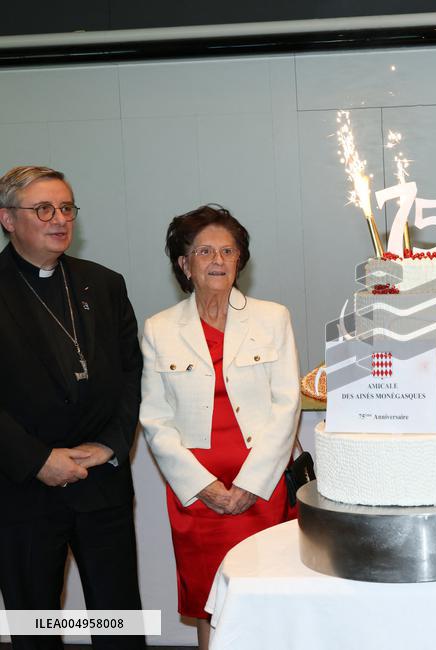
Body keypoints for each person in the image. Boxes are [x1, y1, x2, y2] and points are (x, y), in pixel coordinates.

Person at [139, 205, 300, 650]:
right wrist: (205, 486)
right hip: (198, 496)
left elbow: (287, 405)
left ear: (239, 260)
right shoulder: (160, 329)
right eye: (204, 250)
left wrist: (252, 483)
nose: (217, 260)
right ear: (183, 263)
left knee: (267, 594)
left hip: (262, 489)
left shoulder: (273, 318)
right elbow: (154, 418)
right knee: (209, 602)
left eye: (228, 251)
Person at [0, 166, 145, 650]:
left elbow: (131, 373)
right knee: (34, 627)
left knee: (119, 623)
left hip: (100, 481)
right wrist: (37, 460)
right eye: (43, 209)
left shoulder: (104, 284)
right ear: (7, 219)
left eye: (66, 208)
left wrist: (109, 444)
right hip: (22, 490)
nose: (59, 219)